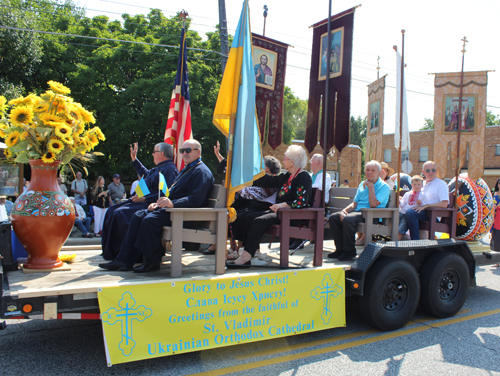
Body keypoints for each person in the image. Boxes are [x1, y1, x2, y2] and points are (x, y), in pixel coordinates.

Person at [99, 139, 214, 272]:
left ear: (198, 152)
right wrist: (157, 203)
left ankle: (152, 261)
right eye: (182, 151)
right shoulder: (188, 169)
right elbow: (170, 191)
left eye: (188, 150)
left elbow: (196, 199)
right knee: (138, 215)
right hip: (174, 211)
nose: (184, 154)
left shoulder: (201, 172)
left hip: (186, 216)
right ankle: (124, 260)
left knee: (149, 220)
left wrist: (172, 203)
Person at [228, 145, 312, 267]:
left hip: (291, 216)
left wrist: (284, 204)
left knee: (259, 220)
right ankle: (250, 252)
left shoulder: (304, 177)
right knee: (247, 216)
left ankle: (245, 257)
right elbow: (266, 181)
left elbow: (302, 201)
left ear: (292, 161)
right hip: (279, 213)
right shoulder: (286, 176)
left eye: (285, 158)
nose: (283, 160)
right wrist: (247, 174)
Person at [101, 142, 179, 260]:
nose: (152, 154)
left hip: (151, 204)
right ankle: (111, 251)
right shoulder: (160, 167)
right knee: (112, 209)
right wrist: (134, 159)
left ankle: (123, 252)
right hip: (143, 201)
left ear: (161, 154)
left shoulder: (169, 170)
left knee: (120, 213)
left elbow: (166, 194)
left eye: (154, 152)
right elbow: (146, 174)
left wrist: (145, 198)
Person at [327, 160, 391, 261]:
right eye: (367, 170)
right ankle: (340, 249)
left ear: (379, 173)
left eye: (372, 170)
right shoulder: (362, 184)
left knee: (348, 219)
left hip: (372, 215)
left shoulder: (384, 187)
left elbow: (373, 205)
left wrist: (371, 188)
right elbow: (355, 203)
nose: (369, 172)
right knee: (334, 218)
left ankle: (349, 252)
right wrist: (344, 211)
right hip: (358, 213)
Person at [403, 161, 449, 240]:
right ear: (423, 172)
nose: (431, 172)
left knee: (410, 213)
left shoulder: (441, 184)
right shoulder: (420, 183)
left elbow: (444, 204)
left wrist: (426, 206)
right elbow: (411, 196)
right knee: (400, 212)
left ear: (436, 171)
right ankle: (399, 236)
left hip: (432, 213)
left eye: (433, 170)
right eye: (428, 170)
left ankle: (415, 241)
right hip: (418, 210)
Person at [398, 175, 427, 240]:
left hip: (408, 215)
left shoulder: (423, 195)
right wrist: (399, 202)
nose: (417, 186)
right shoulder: (407, 194)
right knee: (395, 226)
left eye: (419, 184)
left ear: (422, 185)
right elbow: (403, 203)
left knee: (400, 230)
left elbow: (426, 205)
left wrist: (421, 203)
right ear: (412, 185)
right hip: (402, 212)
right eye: (415, 184)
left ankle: (395, 243)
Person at [490, 178, 500, 267]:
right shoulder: (494, 193)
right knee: (496, 239)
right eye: (499, 183)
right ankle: (497, 261)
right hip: (495, 218)